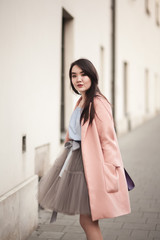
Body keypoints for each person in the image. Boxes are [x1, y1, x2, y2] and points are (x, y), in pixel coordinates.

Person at [38, 58, 131, 240]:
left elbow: (108, 140)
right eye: (74, 75)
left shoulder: (98, 102)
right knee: (87, 220)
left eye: (83, 74)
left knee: (88, 221)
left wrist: (111, 171)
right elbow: (74, 132)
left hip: (92, 166)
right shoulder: (82, 101)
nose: (78, 79)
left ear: (92, 76)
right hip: (78, 162)